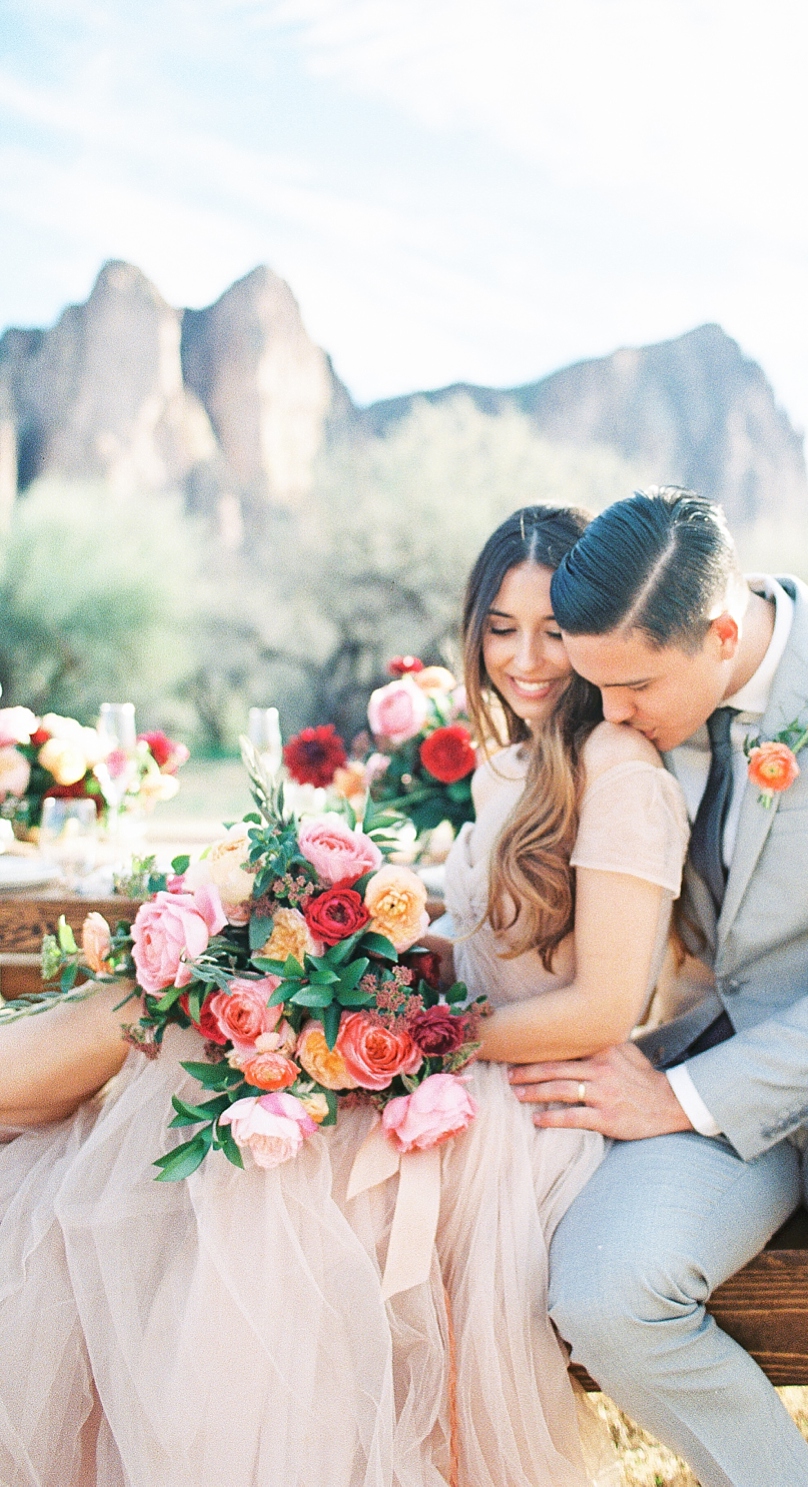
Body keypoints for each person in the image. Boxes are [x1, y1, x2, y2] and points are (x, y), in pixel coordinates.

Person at [0, 504, 689, 1487]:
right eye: (499, 628)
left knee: (233, 1116)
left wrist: (403, 1032)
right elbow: (493, 940)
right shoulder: (514, 764)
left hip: (529, 1099)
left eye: (551, 629)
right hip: (464, 1052)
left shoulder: (622, 777)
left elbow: (602, 1007)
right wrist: (351, 949)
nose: (525, 657)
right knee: (206, 1011)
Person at [510, 488, 808, 1484]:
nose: (613, 713)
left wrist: (676, 1097)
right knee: (601, 1293)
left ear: (722, 632)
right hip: (706, 1055)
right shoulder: (621, 704)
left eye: (635, 685)